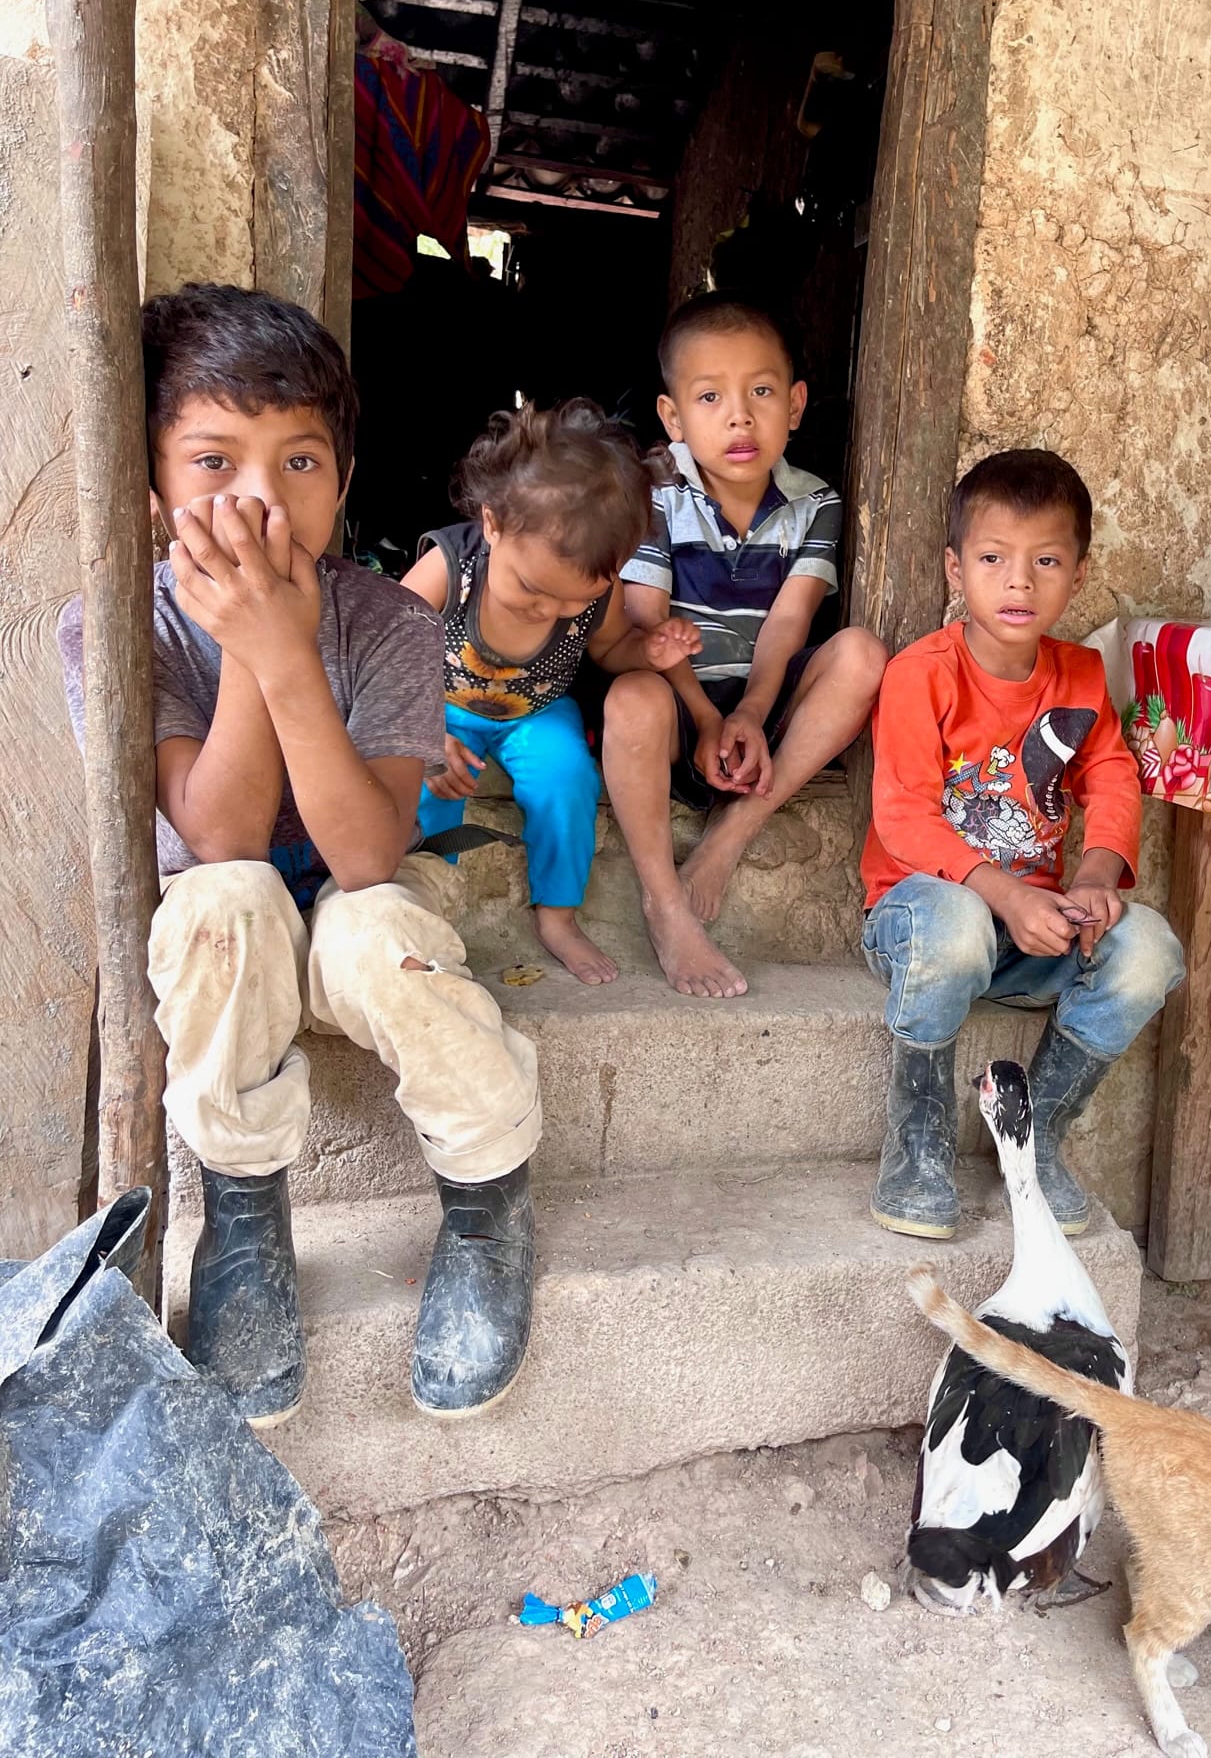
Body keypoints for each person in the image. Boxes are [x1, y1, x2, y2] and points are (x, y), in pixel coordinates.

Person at [57, 285, 542, 1428]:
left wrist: (290, 651)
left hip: (349, 903)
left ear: (345, 480)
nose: (261, 500)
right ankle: (241, 1214)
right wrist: (253, 646)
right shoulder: (118, 629)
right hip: (237, 926)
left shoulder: (392, 622)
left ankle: (488, 1194)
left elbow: (368, 851)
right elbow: (219, 836)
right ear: (151, 485)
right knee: (221, 901)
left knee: (380, 933)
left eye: (301, 462)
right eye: (213, 462)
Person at [860, 448, 1186, 1239]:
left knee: (1150, 949)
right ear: (955, 568)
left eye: (1045, 561)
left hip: (1031, 931)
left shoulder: (1079, 675)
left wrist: (1096, 878)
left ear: (1077, 574)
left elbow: (1111, 778)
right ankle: (918, 1146)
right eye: (992, 559)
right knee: (955, 921)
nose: (1019, 583)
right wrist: (1005, 894)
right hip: (920, 923)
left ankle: (1035, 1139)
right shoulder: (921, 674)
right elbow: (903, 818)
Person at [604, 293, 886, 999]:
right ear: (673, 417)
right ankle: (665, 905)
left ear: (795, 404)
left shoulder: (814, 503)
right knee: (630, 697)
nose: (739, 417)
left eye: (761, 391)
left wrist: (753, 713)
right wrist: (706, 719)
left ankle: (731, 835)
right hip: (678, 704)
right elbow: (649, 629)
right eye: (710, 397)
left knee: (862, 655)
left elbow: (790, 624)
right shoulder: (651, 493)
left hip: (767, 701)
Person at [401, 399, 699, 986]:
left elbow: (611, 650)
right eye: (533, 589)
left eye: (575, 600)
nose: (552, 610)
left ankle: (558, 916)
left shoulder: (596, 592)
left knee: (567, 777)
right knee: (426, 785)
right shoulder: (451, 567)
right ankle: (419, 904)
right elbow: (387, 652)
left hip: (536, 712)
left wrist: (649, 652)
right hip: (441, 706)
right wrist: (421, 732)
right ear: (492, 523)